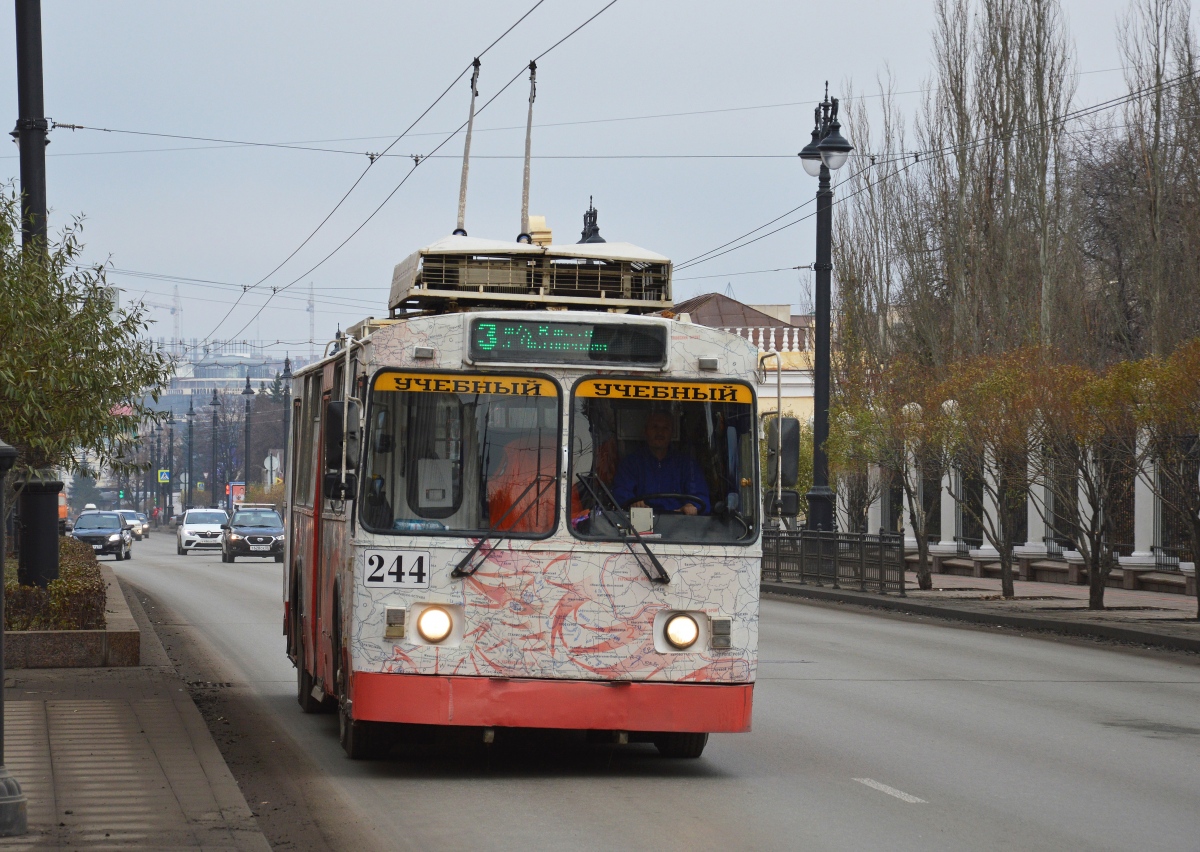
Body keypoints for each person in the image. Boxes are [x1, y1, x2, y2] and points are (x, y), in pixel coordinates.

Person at [611, 411, 709, 515]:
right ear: (645, 431)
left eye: (665, 428)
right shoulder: (631, 463)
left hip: (680, 522)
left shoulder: (687, 465)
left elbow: (701, 496)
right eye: (655, 427)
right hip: (641, 521)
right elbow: (620, 491)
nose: (660, 432)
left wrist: (692, 505)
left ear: (672, 433)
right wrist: (632, 502)